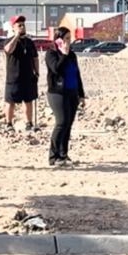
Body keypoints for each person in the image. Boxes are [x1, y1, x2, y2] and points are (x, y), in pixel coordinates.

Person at [44, 27, 86, 167]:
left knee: (68, 124)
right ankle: (53, 155)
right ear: (58, 40)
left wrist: (81, 94)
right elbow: (56, 69)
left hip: (71, 92)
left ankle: (63, 154)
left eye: (69, 38)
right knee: (61, 122)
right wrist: (63, 54)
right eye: (65, 38)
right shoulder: (51, 53)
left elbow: (76, 74)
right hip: (57, 92)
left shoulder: (72, 55)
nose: (68, 41)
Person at [2, 15, 39, 131]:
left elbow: (35, 58)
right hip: (13, 77)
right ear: (13, 28)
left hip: (28, 76)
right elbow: (8, 49)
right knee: (10, 101)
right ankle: (9, 124)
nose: (22, 27)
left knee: (28, 101)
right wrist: (16, 37)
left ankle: (29, 123)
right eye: (19, 25)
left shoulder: (29, 42)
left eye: (23, 25)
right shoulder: (9, 41)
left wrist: (36, 72)